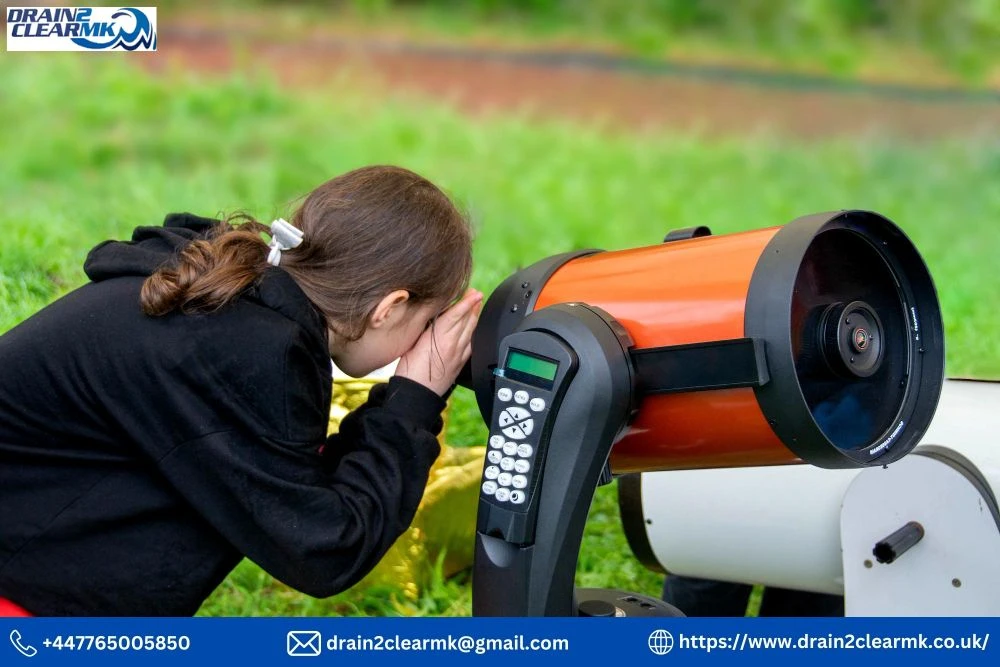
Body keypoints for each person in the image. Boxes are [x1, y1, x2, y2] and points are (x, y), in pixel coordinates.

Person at [0, 165, 482, 616]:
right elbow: (326, 549)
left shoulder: (229, 300)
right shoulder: (242, 351)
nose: (425, 341)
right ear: (390, 307)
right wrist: (414, 399)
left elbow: (290, 484)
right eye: (426, 322)